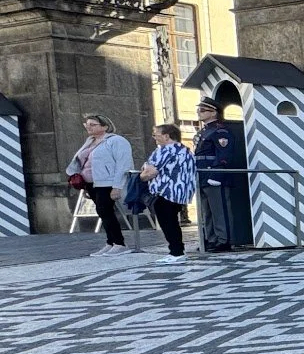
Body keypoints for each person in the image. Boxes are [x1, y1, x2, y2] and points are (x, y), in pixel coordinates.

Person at [65, 113, 131, 253]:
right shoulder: (89, 141)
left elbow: (123, 164)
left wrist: (117, 186)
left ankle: (119, 243)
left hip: (107, 182)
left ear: (105, 126)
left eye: (93, 125)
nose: (89, 127)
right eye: (87, 125)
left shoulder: (116, 141)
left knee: (105, 210)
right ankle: (111, 242)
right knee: (102, 212)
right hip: (91, 182)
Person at [193, 98, 251, 252]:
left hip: (214, 174)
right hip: (203, 174)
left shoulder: (220, 131)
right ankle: (212, 239)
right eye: (199, 110)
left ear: (213, 113)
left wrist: (216, 175)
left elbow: (224, 155)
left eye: (203, 110)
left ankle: (224, 240)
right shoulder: (205, 130)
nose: (199, 112)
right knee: (208, 210)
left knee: (220, 210)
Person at [139, 122, 196, 259]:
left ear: (166, 136)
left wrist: (141, 176)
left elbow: (149, 173)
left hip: (164, 192)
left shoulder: (165, 150)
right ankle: (177, 250)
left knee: (168, 223)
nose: (154, 138)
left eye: (156, 135)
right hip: (179, 193)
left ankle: (176, 252)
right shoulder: (185, 150)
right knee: (173, 222)